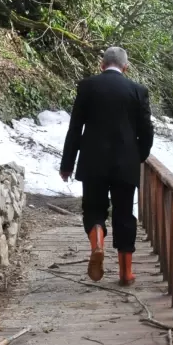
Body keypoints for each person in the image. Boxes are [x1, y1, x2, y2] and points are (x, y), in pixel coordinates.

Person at [60, 46, 154, 285]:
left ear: (102, 65)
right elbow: (147, 131)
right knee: (124, 214)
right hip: (126, 164)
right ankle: (125, 273)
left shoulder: (87, 87)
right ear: (126, 67)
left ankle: (98, 242)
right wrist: (139, 156)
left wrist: (67, 164)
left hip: (93, 162)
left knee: (93, 209)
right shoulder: (137, 91)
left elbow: (75, 129)